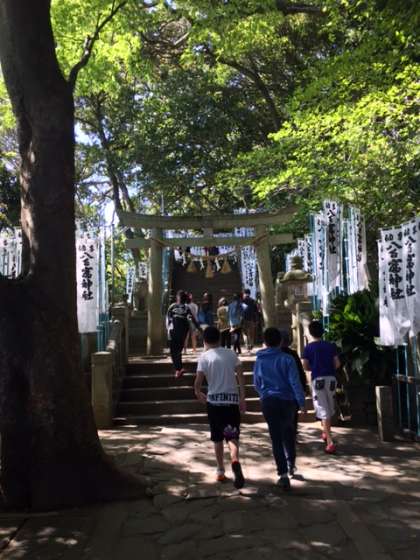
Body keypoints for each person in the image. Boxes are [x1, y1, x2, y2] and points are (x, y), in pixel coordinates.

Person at [253, 327, 306, 491]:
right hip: (288, 401)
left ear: (265, 341)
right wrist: (301, 401)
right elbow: (295, 382)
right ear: (281, 341)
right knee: (289, 433)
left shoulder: (260, 360)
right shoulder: (287, 359)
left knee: (276, 438)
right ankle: (291, 464)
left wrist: (263, 395)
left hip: (269, 401)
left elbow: (256, 382)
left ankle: (283, 475)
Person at [194, 326, 246, 488]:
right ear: (220, 338)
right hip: (231, 402)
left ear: (205, 341)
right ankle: (235, 460)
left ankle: (220, 470)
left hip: (214, 403)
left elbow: (198, 381)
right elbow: (240, 376)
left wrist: (197, 392)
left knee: (217, 438)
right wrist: (242, 397)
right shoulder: (231, 354)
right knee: (232, 436)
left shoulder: (204, 357)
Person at [302, 320, 341, 454]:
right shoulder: (330, 346)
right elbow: (337, 364)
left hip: (318, 379)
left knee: (323, 408)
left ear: (310, 333)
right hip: (331, 379)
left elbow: (305, 365)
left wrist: (314, 368)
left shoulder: (308, 348)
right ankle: (325, 431)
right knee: (329, 406)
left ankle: (330, 441)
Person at [278, 329, 307, 439]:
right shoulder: (293, 354)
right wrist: (303, 388)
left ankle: (285, 436)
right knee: (293, 416)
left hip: (278, 391)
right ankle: (292, 434)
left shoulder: (274, 355)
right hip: (292, 392)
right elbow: (300, 373)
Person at [167, 290, 200, 378]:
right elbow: (168, 318)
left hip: (178, 331)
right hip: (178, 331)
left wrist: (199, 328)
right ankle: (179, 368)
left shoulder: (182, 307)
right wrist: (199, 328)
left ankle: (178, 369)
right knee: (176, 351)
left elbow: (192, 319)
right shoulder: (177, 307)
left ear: (179, 297)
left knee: (175, 351)